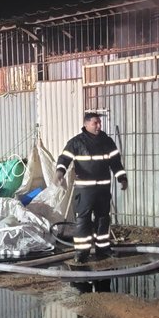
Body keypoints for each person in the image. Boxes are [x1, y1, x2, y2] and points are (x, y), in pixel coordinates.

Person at [55, 112, 128, 263]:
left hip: (102, 190)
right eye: (95, 123)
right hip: (85, 190)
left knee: (103, 219)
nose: (99, 126)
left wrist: (122, 178)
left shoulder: (107, 142)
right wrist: (59, 173)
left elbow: (116, 162)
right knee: (83, 222)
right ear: (86, 124)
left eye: (99, 123)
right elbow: (64, 159)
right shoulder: (76, 142)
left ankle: (103, 249)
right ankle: (82, 253)